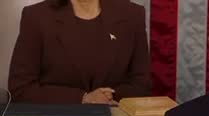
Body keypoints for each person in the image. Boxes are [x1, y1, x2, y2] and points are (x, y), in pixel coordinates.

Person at [8, 0, 151, 104]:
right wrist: (83, 98)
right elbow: (21, 89)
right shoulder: (37, 17)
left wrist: (106, 97)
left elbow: (142, 84)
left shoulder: (132, 15)